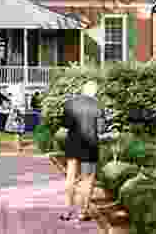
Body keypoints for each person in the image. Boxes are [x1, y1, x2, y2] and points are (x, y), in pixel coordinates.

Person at [60, 80, 104, 222]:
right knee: (88, 179)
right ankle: (83, 212)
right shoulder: (98, 105)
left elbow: (66, 125)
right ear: (95, 92)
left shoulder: (70, 103)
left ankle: (68, 211)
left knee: (70, 177)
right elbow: (101, 129)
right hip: (90, 145)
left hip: (72, 144)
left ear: (83, 90)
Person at [4, 83, 26, 152]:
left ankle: (18, 145)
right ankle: (18, 144)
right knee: (19, 131)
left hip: (17, 114)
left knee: (17, 131)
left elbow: (14, 106)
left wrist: (11, 109)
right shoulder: (20, 96)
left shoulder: (16, 97)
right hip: (19, 114)